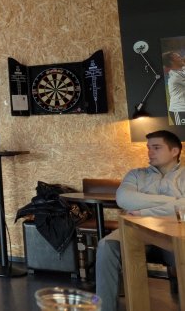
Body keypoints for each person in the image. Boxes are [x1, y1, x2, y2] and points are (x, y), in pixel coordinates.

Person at [96, 130, 184, 311]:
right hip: (135, 231)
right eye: (148, 148)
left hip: (175, 233)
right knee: (106, 245)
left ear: (174, 151)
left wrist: (144, 211)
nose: (150, 152)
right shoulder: (136, 175)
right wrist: (173, 202)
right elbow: (123, 199)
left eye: (156, 147)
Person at [163, 52, 185, 125]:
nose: (181, 58)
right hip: (180, 111)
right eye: (178, 57)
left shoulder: (181, 70)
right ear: (172, 62)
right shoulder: (176, 76)